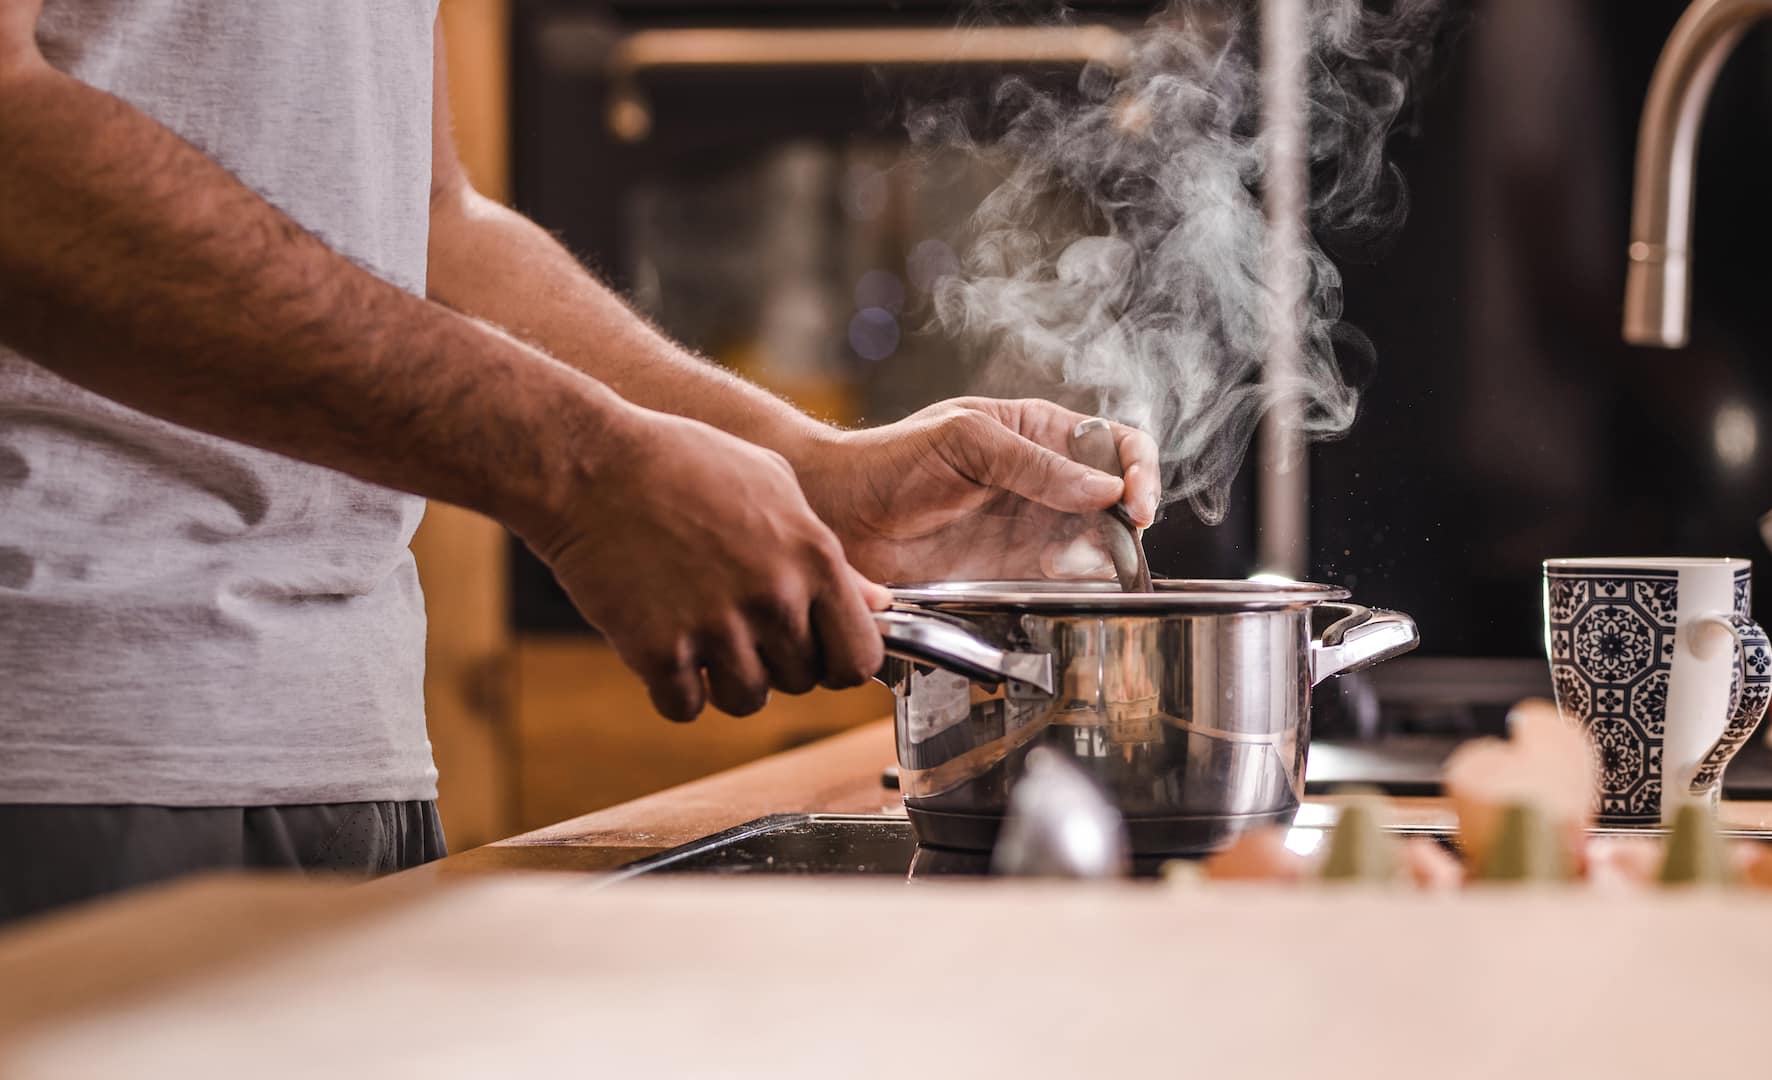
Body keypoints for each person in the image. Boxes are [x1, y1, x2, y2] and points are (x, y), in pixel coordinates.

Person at [0, 1, 1159, 921]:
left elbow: (425, 222)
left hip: (350, 761)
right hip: (66, 748)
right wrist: (579, 467)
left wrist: (807, 473)